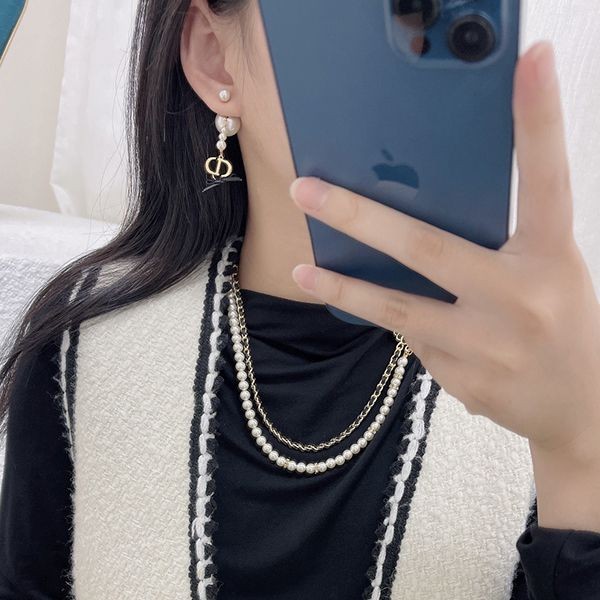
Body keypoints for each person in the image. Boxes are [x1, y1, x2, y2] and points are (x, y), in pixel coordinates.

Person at [1, 1, 600, 598]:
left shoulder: (546, 381)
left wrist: (577, 452)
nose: (408, 41)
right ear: (216, 56)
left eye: (434, 12)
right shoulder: (85, 351)